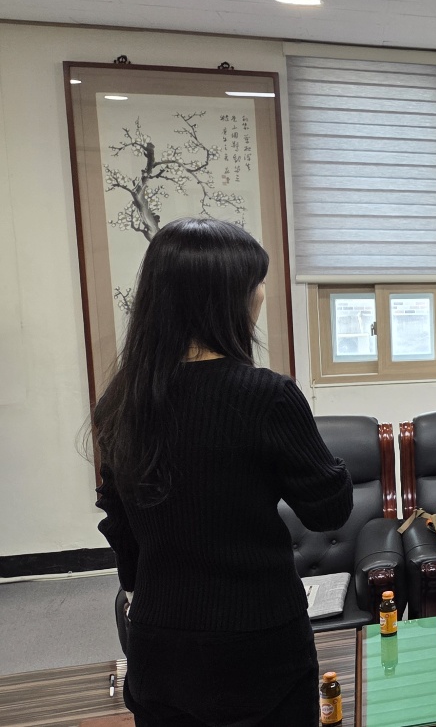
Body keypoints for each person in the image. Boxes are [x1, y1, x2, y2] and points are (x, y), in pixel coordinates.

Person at [91, 217, 353, 726]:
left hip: (157, 641)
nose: (261, 294)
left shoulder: (121, 400)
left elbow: (120, 527)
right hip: (258, 642)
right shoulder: (268, 396)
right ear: (228, 298)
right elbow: (329, 510)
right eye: (257, 282)